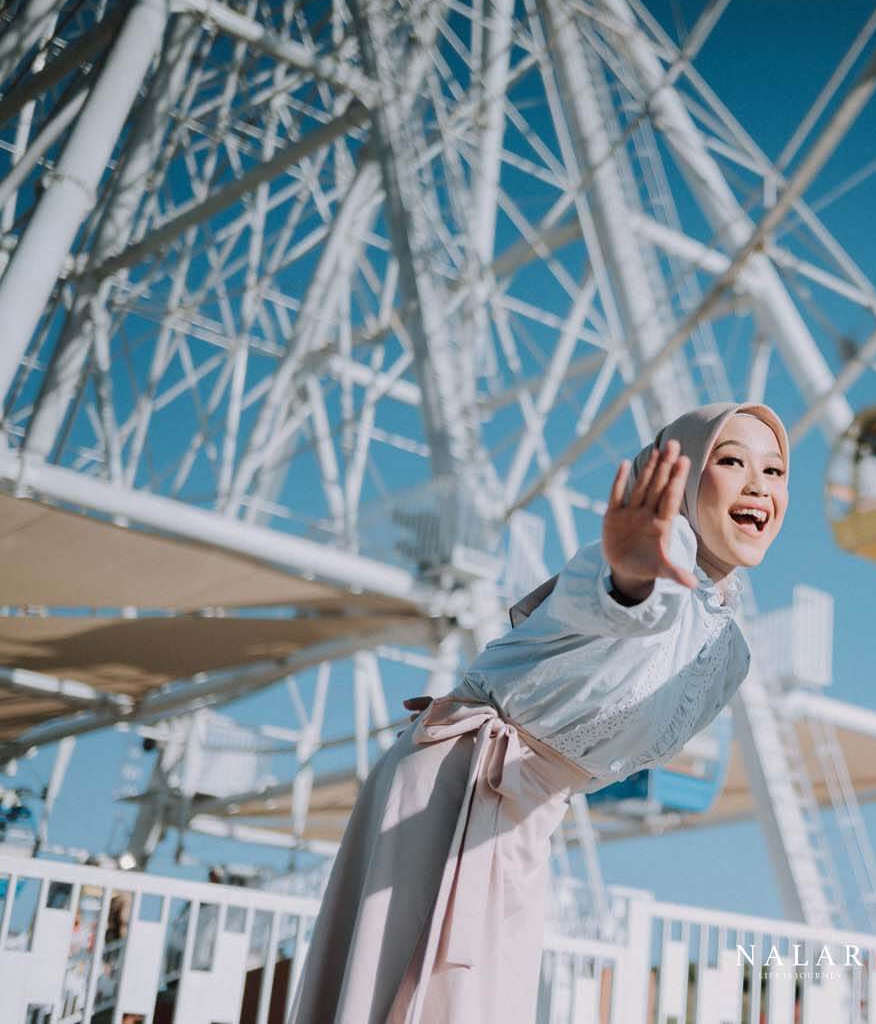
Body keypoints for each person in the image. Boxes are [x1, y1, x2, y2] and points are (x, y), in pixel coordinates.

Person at [291, 402, 788, 1024]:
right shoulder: (646, 555)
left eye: (774, 471)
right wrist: (629, 576)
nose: (758, 485)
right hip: (456, 785)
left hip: (529, 810)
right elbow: (614, 599)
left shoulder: (728, 653)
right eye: (732, 461)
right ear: (680, 476)